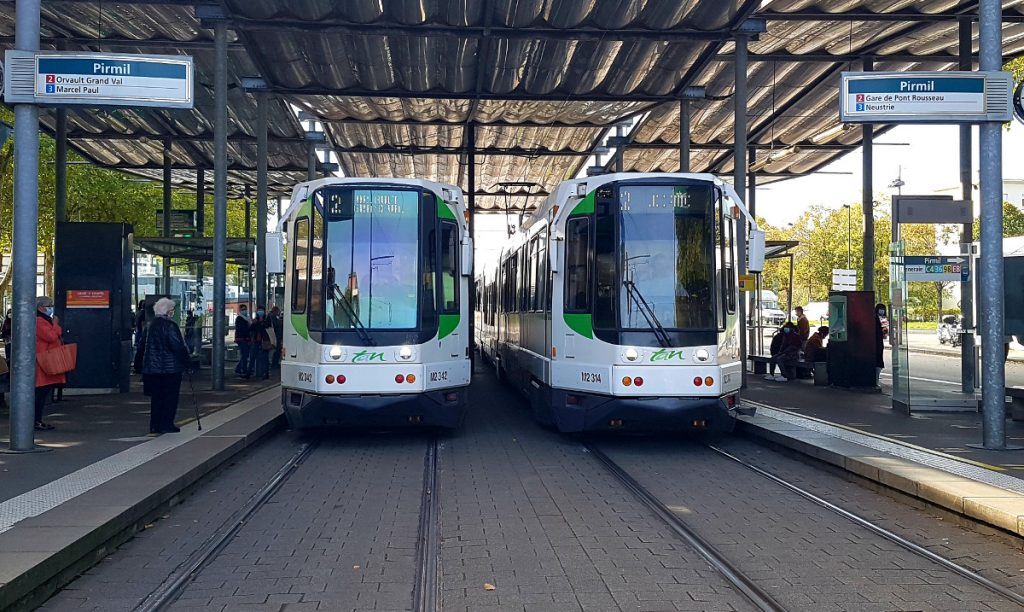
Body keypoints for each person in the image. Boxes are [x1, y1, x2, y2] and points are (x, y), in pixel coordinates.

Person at [135, 297, 190, 435]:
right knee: (170, 397)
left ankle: (155, 425)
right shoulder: (170, 326)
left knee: (157, 398)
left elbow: (141, 347)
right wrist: (187, 362)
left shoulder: (150, 325)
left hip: (153, 369)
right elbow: (178, 346)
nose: (172, 312)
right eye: (171, 310)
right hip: (170, 369)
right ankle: (167, 424)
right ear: (167, 312)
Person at [35, 296, 64, 430]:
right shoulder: (40, 321)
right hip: (44, 359)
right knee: (41, 392)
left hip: (45, 358)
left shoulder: (42, 320)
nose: (51, 307)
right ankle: (36, 420)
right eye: (49, 305)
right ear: (41, 307)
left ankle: (37, 420)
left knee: (42, 391)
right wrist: (56, 325)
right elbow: (51, 336)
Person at [248, 306, 272, 380]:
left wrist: (260, 322)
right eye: (259, 311)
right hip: (256, 340)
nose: (260, 312)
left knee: (265, 358)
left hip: (264, 341)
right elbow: (251, 329)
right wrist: (255, 323)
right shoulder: (256, 320)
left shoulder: (267, 319)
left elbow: (267, 326)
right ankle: (248, 373)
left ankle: (266, 373)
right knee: (252, 357)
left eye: (261, 310)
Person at [234, 305, 252, 378]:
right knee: (244, 354)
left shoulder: (247, 318)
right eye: (243, 309)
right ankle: (243, 369)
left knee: (245, 354)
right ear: (240, 310)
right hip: (241, 339)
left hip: (246, 339)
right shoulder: (239, 318)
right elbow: (242, 329)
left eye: (245, 309)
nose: (244, 311)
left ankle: (239, 368)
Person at [875, 303, 886, 388]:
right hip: (877, 342)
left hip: (878, 342)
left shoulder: (879, 318)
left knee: (878, 360)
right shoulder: (875, 318)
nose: (882, 311)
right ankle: (876, 380)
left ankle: (876, 379)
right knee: (878, 361)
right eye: (881, 309)